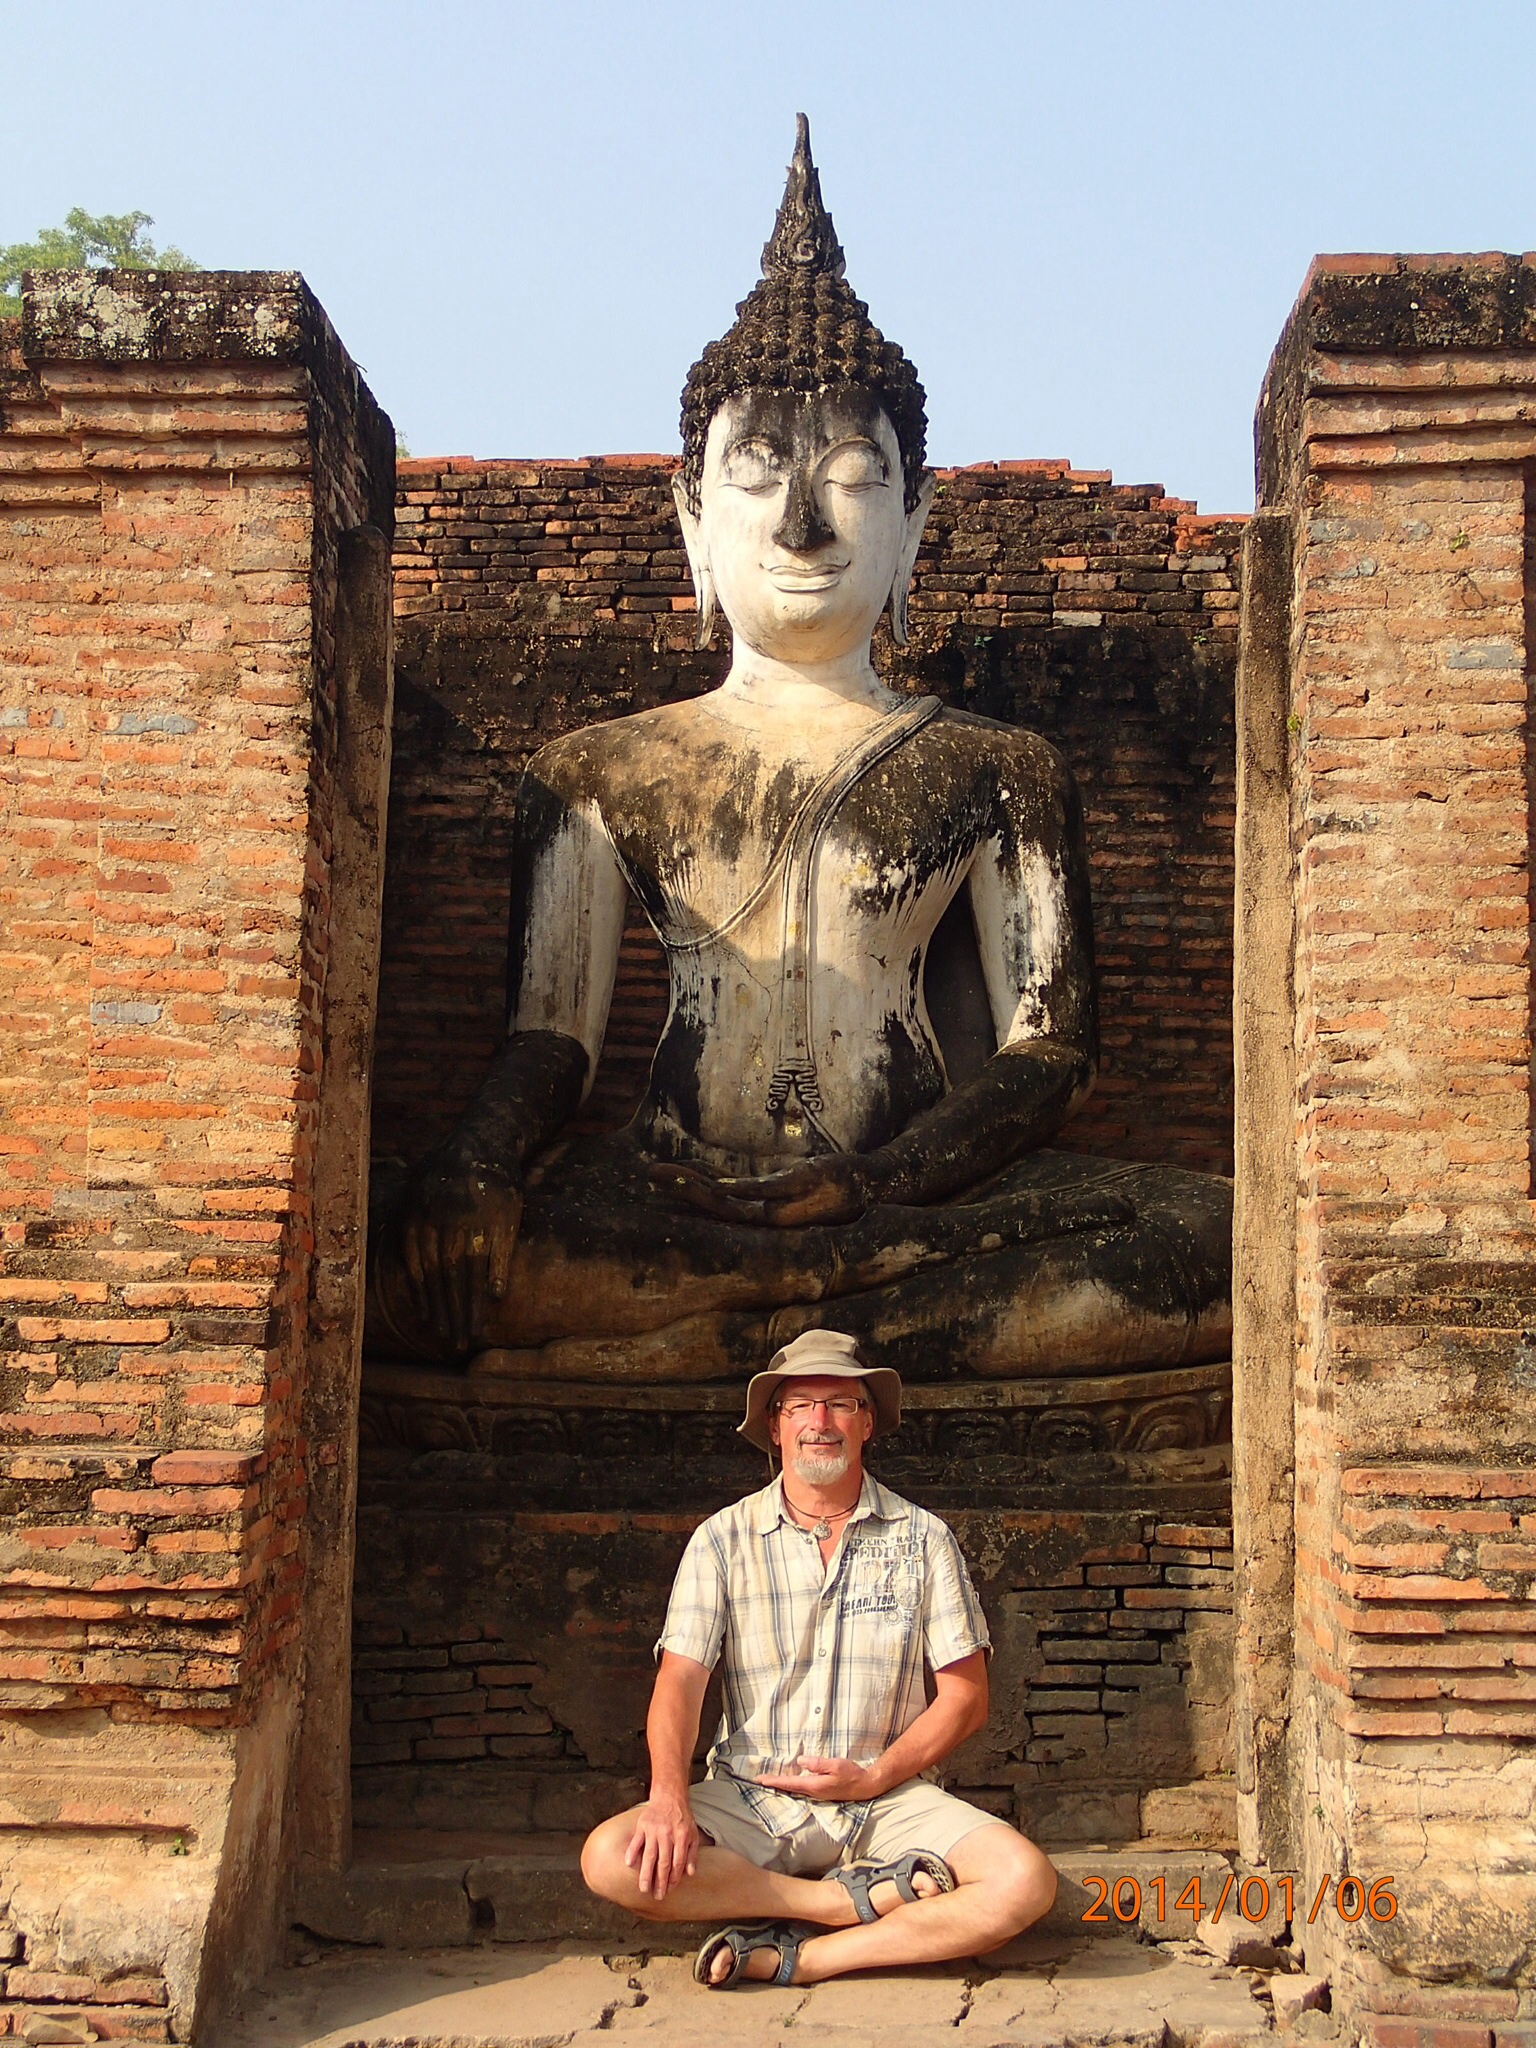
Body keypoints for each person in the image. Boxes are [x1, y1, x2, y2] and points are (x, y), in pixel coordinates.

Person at [367, 116, 1232, 1384]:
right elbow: (552, 1041)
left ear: (915, 521)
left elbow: (1048, 1053)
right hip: (674, 1188)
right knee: (390, 1236)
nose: (803, 523)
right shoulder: (592, 771)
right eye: (759, 469)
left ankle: (716, 1342)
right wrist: (477, 1163)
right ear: (692, 520)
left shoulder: (1001, 767)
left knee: (1213, 1235)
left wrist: (876, 1183)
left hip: (908, 1199)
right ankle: (821, 1337)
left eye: (851, 473)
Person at [579, 1328, 1058, 1988]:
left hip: (886, 1800)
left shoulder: (923, 1539)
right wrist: (668, 1799)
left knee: (1024, 1880)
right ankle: (837, 1904)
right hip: (752, 1796)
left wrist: (874, 1776)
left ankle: (805, 1960)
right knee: (611, 1858)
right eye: (800, 1405)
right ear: (775, 1428)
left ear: (867, 1423)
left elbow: (967, 1697)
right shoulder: (723, 1539)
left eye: (840, 1404)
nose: (820, 1422)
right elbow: (681, 1682)